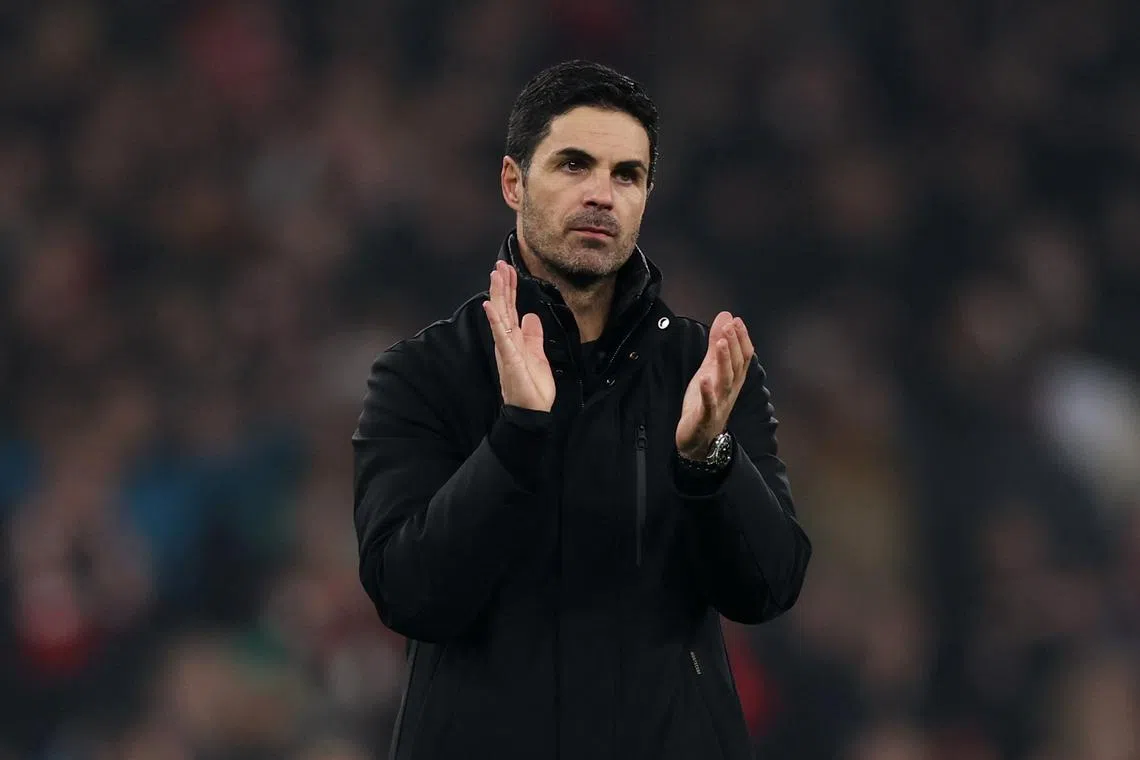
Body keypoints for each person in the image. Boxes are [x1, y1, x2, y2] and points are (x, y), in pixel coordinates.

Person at [352, 60, 812, 760]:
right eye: (574, 165)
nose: (602, 193)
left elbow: (769, 588)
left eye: (627, 175)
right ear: (513, 181)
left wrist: (708, 462)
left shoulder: (706, 368)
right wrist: (517, 439)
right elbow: (410, 596)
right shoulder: (422, 374)